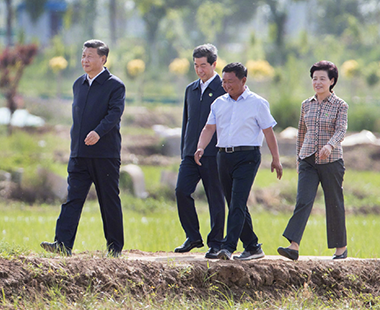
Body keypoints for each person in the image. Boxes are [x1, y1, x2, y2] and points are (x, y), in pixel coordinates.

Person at [41, 39, 125, 257]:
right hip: (79, 154)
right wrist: (75, 147)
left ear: (103, 59)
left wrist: (98, 132)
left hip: (105, 155)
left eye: (90, 56)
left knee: (109, 201)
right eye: (83, 55)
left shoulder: (115, 85)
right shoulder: (78, 84)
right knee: (72, 199)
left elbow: (114, 114)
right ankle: (62, 244)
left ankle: (115, 248)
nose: (85, 60)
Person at [195, 62, 283, 260]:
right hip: (223, 156)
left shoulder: (258, 103)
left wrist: (276, 159)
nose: (226, 85)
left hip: (248, 157)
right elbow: (209, 128)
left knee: (237, 203)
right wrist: (201, 146)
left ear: (244, 80)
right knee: (236, 204)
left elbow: (269, 132)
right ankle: (252, 246)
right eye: (224, 81)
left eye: (231, 82)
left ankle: (228, 247)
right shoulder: (218, 103)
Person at [277, 60, 348, 261]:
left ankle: (340, 249)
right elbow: (301, 132)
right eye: (314, 78)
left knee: (334, 202)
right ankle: (293, 246)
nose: (317, 82)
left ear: (332, 81)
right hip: (307, 160)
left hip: (331, 161)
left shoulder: (340, 105)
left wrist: (330, 145)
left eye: (322, 79)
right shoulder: (306, 105)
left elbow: (341, 130)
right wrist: (299, 158)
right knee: (303, 200)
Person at [174, 44, 226, 259]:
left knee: (215, 197)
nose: (199, 70)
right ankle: (193, 236)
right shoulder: (191, 89)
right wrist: (185, 149)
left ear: (214, 64)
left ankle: (216, 242)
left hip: (214, 154)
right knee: (181, 191)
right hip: (190, 153)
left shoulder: (224, 89)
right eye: (196, 65)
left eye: (203, 65)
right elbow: (186, 122)